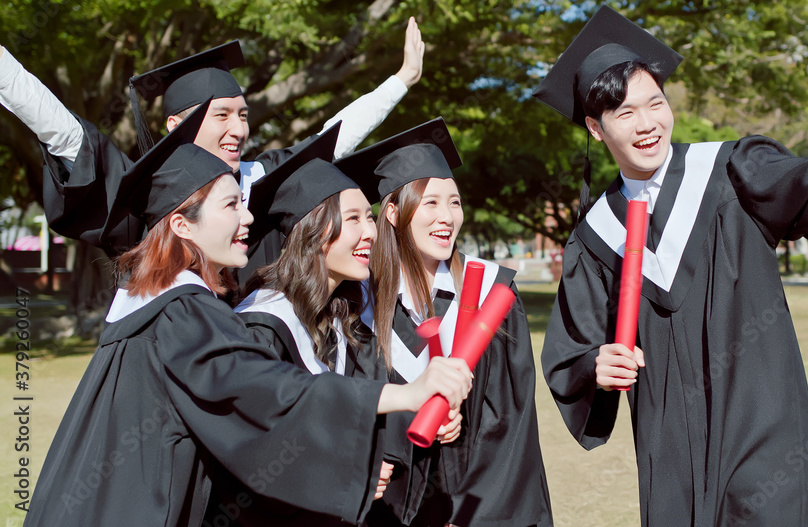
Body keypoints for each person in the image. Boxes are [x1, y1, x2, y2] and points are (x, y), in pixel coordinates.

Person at [533, 6, 808, 526]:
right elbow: (573, 347)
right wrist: (596, 367)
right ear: (596, 129)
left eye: (655, 103)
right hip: (669, 451)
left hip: (762, 426)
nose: (647, 124)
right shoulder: (597, 235)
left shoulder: (731, 172)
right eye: (624, 114)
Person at [22, 99, 473, 527]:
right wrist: (402, 397)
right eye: (231, 205)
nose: (248, 218)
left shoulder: (162, 303)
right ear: (182, 225)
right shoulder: (181, 311)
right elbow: (260, 390)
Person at [205, 121, 462, 526]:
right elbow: (252, 444)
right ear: (314, 233)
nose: (371, 233)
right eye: (354, 219)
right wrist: (343, 470)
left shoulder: (340, 316)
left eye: (370, 217)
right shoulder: (262, 326)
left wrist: (423, 413)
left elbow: (356, 406)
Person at [0, 16, 425, 258]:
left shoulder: (261, 180)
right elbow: (69, 137)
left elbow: (331, 137)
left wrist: (400, 81)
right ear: (175, 127)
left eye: (242, 115)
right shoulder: (152, 198)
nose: (238, 129)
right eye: (220, 115)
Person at [334, 118, 553, 527]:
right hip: (384, 509)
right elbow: (345, 402)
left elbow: (511, 420)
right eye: (430, 202)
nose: (447, 216)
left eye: (454, 202)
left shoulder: (494, 292)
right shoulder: (357, 304)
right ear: (394, 213)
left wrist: (474, 514)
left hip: (473, 508)